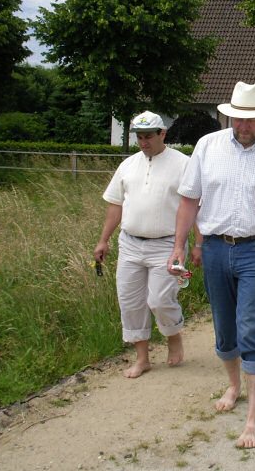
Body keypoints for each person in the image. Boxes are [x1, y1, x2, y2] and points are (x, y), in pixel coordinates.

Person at [169, 82, 255, 449]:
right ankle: (233, 384)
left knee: (250, 329)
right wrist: (179, 246)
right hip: (214, 248)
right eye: (237, 118)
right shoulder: (207, 146)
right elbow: (189, 200)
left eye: (251, 119)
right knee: (225, 331)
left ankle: (254, 417)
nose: (243, 125)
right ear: (228, 115)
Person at [93, 111, 188, 378]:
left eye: (148, 137)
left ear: (162, 134)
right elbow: (115, 205)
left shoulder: (183, 164)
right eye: (139, 137)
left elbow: (193, 207)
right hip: (130, 244)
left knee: (160, 299)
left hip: (167, 245)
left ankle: (173, 336)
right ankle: (142, 358)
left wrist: (197, 245)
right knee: (130, 301)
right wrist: (103, 240)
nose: (143, 142)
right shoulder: (127, 165)